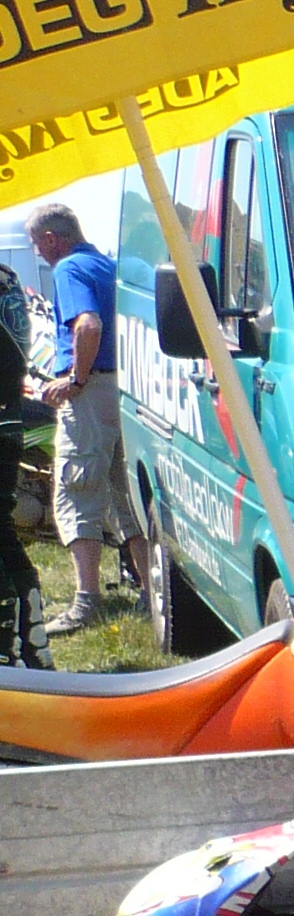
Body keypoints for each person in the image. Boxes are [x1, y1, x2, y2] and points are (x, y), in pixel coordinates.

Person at [24, 205, 148, 639]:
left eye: (38, 244)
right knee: (125, 496)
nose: (38, 254)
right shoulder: (108, 266)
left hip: (91, 391)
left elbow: (88, 326)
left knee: (76, 491)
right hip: (124, 389)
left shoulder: (69, 268)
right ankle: (152, 593)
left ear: (52, 239)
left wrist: (75, 380)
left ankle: (86, 602)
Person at [0, 266, 42, 665]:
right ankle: (34, 645)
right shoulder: (9, 281)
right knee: (3, 533)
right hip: (9, 419)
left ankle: (7, 650)